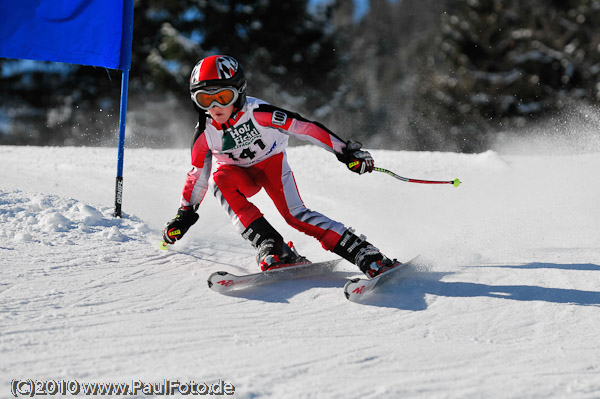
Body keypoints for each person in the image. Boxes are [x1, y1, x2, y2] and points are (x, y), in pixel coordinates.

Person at [162, 55, 399, 278]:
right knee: (218, 181)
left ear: (240, 92)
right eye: (205, 99)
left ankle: (363, 252)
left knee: (295, 215)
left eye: (223, 96)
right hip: (238, 175)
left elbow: (305, 128)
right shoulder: (204, 133)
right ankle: (272, 245)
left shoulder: (259, 113)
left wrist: (345, 151)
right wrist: (185, 213)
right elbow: (198, 175)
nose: (215, 106)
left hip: (271, 166)